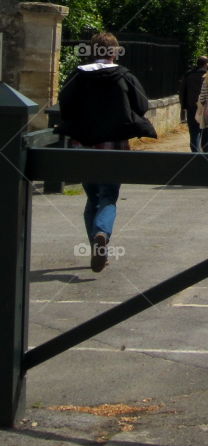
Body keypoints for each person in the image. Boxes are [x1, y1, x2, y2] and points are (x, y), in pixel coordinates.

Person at [56, 31, 155, 273]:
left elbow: (64, 103)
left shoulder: (78, 76)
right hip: (114, 144)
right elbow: (142, 105)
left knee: (92, 196)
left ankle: (96, 246)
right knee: (108, 195)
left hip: (84, 144)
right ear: (114, 52)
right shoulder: (124, 76)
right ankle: (101, 232)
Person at [178, 55, 208, 152]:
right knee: (206, 131)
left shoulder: (189, 75)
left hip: (191, 106)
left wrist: (183, 107)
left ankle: (195, 152)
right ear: (206, 64)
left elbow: (182, 92)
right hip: (206, 106)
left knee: (194, 132)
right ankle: (206, 152)